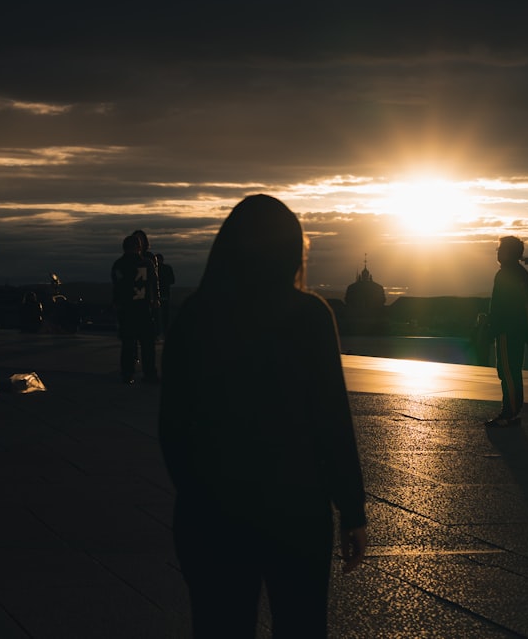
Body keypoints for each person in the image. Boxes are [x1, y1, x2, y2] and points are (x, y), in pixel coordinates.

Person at [158, 195, 367, 638]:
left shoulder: (195, 316)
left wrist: (198, 493)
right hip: (296, 510)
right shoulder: (310, 316)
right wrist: (352, 509)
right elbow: (331, 418)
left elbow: (172, 425)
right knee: (301, 624)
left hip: (212, 512)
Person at [485, 235, 528, 428]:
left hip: (506, 329)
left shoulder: (505, 274)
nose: (497, 252)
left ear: (508, 252)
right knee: (513, 370)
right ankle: (513, 411)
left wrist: (492, 328)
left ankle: (509, 412)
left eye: (500, 249)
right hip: (518, 329)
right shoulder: (522, 274)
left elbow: (500, 306)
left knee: (506, 371)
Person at [111, 234, 159, 384]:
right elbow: (153, 284)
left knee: (128, 344)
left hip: (127, 310)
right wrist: (155, 301)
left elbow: (117, 287)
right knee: (147, 345)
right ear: (139, 247)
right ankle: (149, 373)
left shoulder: (119, 264)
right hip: (144, 309)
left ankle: (127, 373)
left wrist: (117, 304)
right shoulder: (147, 264)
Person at [156, 253, 176, 336]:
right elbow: (172, 281)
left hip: (156, 295)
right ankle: (165, 331)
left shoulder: (154, 269)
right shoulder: (168, 268)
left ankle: (157, 332)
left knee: (156, 314)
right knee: (165, 314)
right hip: (165, 294)